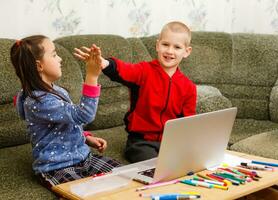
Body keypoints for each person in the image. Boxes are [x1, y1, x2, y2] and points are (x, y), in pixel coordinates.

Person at [10, 35, 121, 189]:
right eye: (54, 54)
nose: (60, 59)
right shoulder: (38, 101)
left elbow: (69, 120)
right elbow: (84, 114)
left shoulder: (57, 90)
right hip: (57, 167)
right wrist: (92, 76)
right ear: (39, 65)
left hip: (84, 158)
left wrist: (86, 138)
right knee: (85, 193)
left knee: (126, 176)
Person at [79, 21, 196, 163]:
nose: (170, 51)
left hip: (170, 143)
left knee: (189, 164)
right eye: (165, 44)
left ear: (187, 52)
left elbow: (188, 122)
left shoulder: (188, 87)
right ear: (157, 45)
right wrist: (104, 63)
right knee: (155, 168)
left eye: (177, 47)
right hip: (141, 142)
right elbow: (123, 70)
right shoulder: (143, 71)